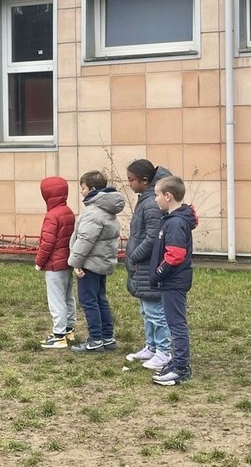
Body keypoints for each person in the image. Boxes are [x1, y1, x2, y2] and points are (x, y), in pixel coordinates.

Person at [124, 159, 173, 370]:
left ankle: (164, 351)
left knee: (155, 311)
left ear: (144, 180)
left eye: (131, 180)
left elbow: (152, 237)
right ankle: (151, 347)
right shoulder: (146, 198)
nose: (129, 184)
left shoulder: (152, 202)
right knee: (146, 310)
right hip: (142, 265)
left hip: (147, 264)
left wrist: (135, 255)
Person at [68, 170, 124, 354]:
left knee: (89, 301)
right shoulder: (107, 209)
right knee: (101, 299)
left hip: (89, 264)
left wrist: (76, 263)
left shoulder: (93, 212)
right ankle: (107, 337)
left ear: (91, 189)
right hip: (101, 263)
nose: (81, 192)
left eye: (82, 188)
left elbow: (85, 240)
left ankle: (95, 340)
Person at [150, 175, 197, 386]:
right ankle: (177, 362)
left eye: (157, 195)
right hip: (171, 281)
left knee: (176, 324)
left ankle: (181, 367)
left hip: (174, 281)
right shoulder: (171, 219)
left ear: (168, 196)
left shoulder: (176, 222)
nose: (155, 199)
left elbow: (175, 254)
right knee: (172, 322)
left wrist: (159, 273)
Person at [35, 176, 77, 348]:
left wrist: (39, 261)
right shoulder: (68, 212)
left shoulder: (52, 216)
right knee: (68, 297)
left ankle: (58, 335)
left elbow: (47, 242)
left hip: (54, 265)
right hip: (67, 262)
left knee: (56, 299)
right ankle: (68, 330)